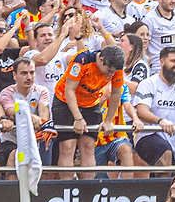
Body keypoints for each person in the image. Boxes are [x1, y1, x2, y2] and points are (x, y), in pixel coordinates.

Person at [52, 44, 128, 176]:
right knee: (68, 146)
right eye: (109, 70)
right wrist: (78, 118)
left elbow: (116, 94)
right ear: (101, 59)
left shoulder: (116, 68)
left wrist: (109, 120)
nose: (111, 74)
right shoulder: (82, 60)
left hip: (91, 103)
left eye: (113, 71)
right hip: (65, 101)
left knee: (88, 146)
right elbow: (69, 90)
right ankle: (66, 187)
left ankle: (88, 188)